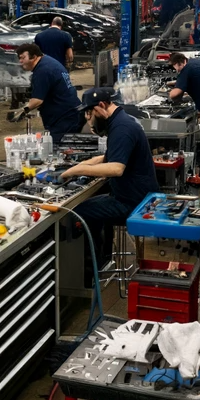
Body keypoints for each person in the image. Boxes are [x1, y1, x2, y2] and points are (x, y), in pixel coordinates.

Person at [60, 87, 157, 271]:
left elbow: (116, 168)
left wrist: (77, 170)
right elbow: (108, 157)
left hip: (135, 203)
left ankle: (89, 269)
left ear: (101, 106)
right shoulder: (120, 121)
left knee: (77, 211)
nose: (88, 120)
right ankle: (100, 260)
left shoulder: (121, 128)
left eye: (89, 114)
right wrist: (80, 165)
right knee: (91, 205)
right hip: (136, 196)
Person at [9, 43, 84, 143]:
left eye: (23, 58)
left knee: (61, 149)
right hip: (71, 111)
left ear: (34, 57)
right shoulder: (47, 61)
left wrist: (22, 111)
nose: (20, 61)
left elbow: (37, 100)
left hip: (64, 118)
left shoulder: (43, 71)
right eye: (19, 58)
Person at [169, 52, 200, 169]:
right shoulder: (196, 63)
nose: (177, 71)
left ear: (179, 63)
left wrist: (171, 94)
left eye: (176, 68)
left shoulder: (186, 69)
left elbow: (174, 94)